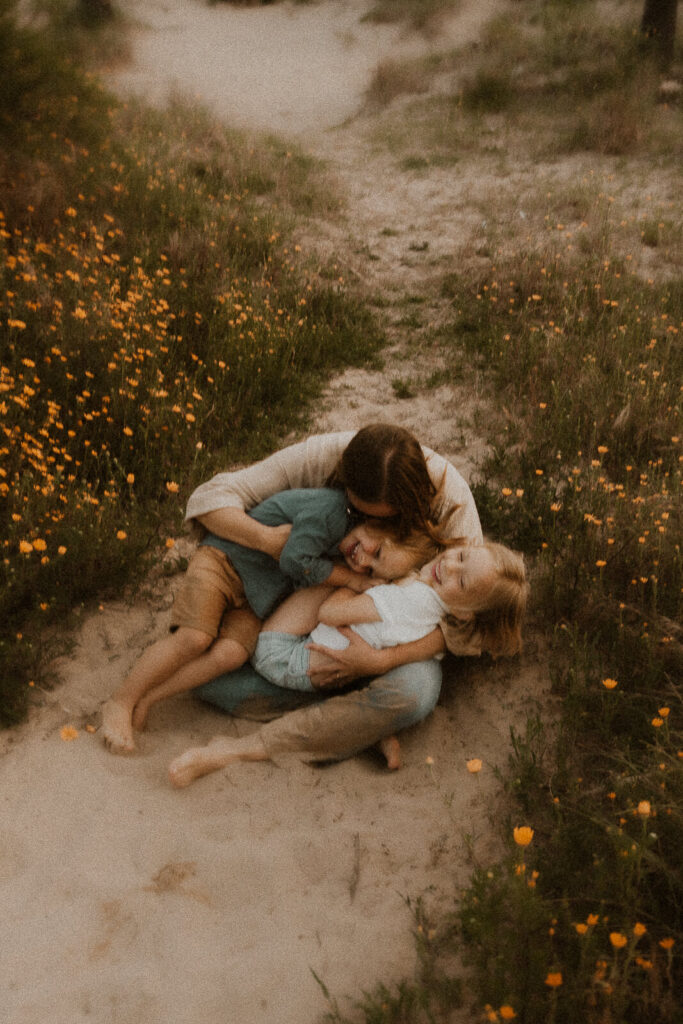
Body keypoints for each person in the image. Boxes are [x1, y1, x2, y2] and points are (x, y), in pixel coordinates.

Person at [168, 539, 528, 787]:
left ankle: (241, 748)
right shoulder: (447, 579)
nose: (449, 564)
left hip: (305, 648)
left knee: (412, 692)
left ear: (465, 610)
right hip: (319, 648)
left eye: (461, 578)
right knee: (208, 679)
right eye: (459, 554)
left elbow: (336, 611)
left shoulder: (427, 598)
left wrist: (361, 593)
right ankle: (363, 728)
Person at [101, 486, 386, 754]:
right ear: (373, 520)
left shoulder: (350, 552)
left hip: (254, 600)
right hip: (224, 561)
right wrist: (350, 578)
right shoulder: (332, 510)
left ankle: (151, 697)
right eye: (377, 551)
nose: (362, 563)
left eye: (371, 569)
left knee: (230, 654)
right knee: (194, 638)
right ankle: (121, 700)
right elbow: (294, 560)